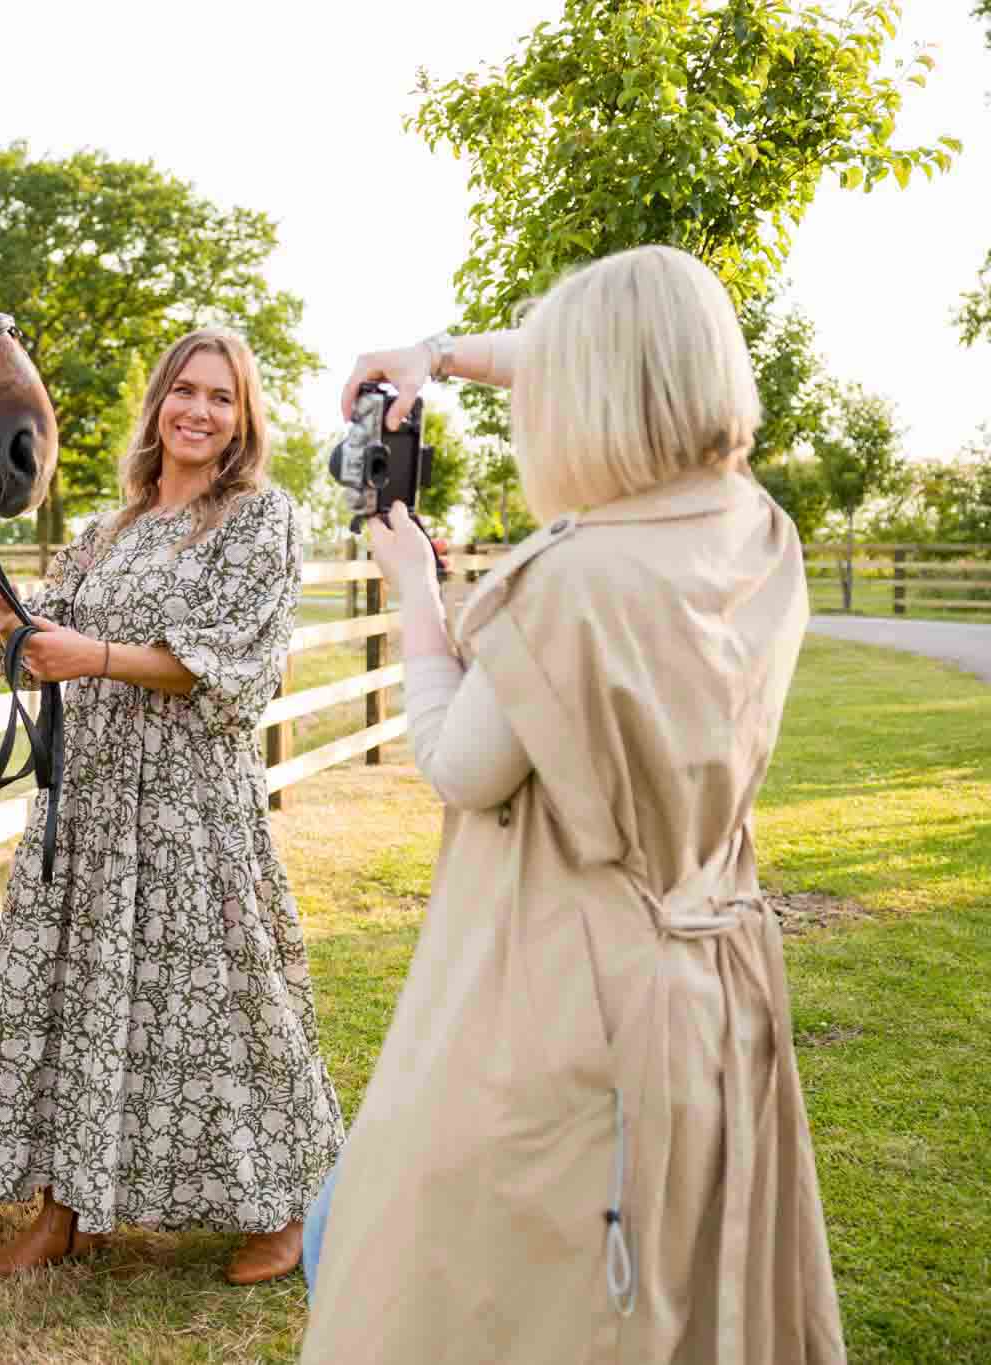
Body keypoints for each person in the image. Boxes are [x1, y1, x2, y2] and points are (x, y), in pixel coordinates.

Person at [298, 245, 844, 1362]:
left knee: (406, 1263)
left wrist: (417, 592)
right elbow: (624, 357)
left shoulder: (572, 578)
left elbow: (457, 762)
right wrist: (436, 358)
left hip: (561, 996)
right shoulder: (756, 535)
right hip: (709, 983)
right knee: (670, 1296)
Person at [0, 328, 345, 1286]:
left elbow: (234, 669)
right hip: (89, 802)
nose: (200, 412)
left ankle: (281, 1211)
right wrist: (10, 621)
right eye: (186, 392)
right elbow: (53, 630)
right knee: (78, 994)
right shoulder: (109, 528)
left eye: (223, 398)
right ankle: (65, 1209)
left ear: (243, 419)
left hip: (188, 805)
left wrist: (97, 657)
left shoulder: (259, 521)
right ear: (160, 402)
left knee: (224, 1000)